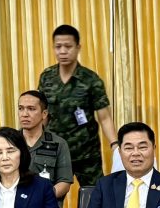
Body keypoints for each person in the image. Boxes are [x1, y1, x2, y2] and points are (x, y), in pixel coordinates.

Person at [38, 24, 118, 187]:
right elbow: (42, 114)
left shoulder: (91, 80)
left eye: (68, 46)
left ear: (78, 47)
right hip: (53, 150)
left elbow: (104, 118)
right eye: (58, 47)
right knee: (47, 195)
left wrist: (115, 145)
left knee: (94, 195)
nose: (63, 51)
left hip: (86, 153)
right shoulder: (47, 77)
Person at [18, 89, 73, 203]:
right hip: (14, 205)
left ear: (44, 114)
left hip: (45, 206)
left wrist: (41, 197)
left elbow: (64, 182)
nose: (24, 114)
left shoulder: (59, 144)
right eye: (21, 108)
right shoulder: (10, 142)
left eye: (31, 109)